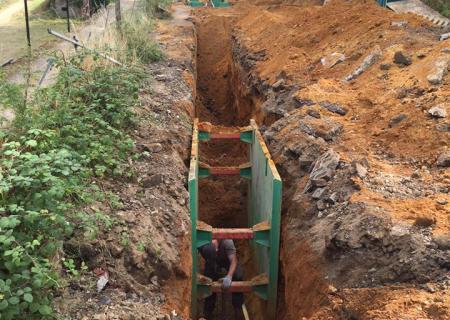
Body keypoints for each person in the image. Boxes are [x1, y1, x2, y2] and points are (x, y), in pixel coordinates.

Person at [199, 239, 244, 320]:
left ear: (216, 250)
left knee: (238, 274)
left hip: (227, 260)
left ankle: (238, 309)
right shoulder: (202, 246)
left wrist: (229, 276)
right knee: (208, 280)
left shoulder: (227, 242)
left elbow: (233, 261)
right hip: (212, 263)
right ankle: (208, 312)